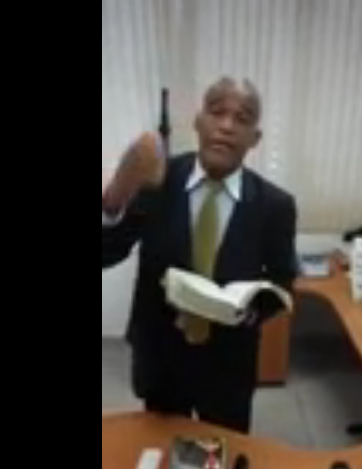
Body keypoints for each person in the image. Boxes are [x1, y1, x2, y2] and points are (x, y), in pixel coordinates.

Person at [101, 77, 298, 433]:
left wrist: (247, 311)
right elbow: (107, 251)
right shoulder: (157, 181)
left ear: (255, 138)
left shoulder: (275, 206)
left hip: (228, 364)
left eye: (242, 118)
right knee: (161, 446)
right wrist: (112, 202)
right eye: (217, 111)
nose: (226, 126)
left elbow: (283, 278)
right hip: (160, 356)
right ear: (197, 121)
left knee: (218, 452)